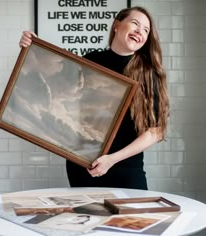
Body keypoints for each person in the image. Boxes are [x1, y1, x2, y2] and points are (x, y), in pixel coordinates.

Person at [19, 6, 169, 190]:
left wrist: (111, 160)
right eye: (135, 23)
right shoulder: (90, 61)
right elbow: (54, 89)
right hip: (83, 166)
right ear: (117, 25)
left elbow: (156, 131)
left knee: (130, 219)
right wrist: (32, 48)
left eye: (146, 30)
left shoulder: (148, 74)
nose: (140, 31)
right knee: (86, 219)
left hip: (126, 169)